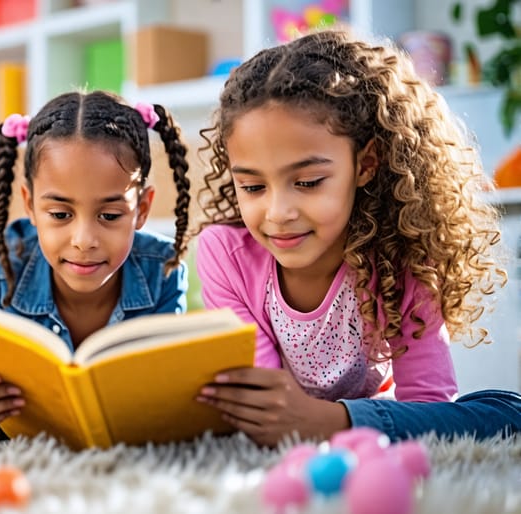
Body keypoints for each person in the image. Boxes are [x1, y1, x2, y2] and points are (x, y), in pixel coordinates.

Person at [194, 29, 521, 446]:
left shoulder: (402, 255)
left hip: (373, 419)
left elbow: (426, 407)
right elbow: (269, 405)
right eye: (253, 188)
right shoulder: (225, 254)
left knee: (508, 409)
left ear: (365, 165)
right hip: (302, 427)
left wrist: (334, 421)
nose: (278, 214)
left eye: (309, 182)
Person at [0, 90, 193, 434]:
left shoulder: (163, 270)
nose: (83, 239)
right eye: (61, 214)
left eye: (109, 215)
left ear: (143, 209)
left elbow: (167, 387)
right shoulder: (0, 266)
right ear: (30, 205)